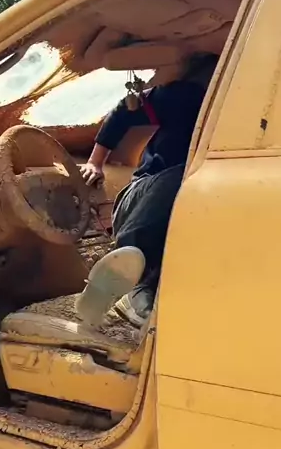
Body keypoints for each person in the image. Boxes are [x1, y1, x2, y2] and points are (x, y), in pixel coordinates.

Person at [79, 52, 219, 328]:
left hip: (190, 209)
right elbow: (125, 110)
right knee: (193, 176)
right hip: (144, 197)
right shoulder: (188, 97)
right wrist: (95, 162)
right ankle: (131, 277)